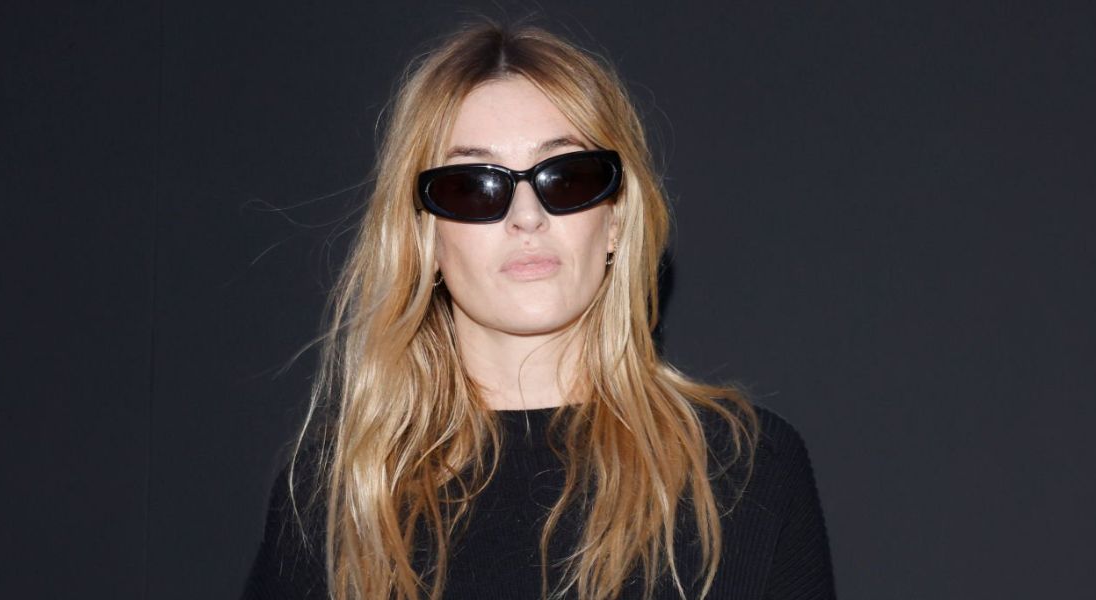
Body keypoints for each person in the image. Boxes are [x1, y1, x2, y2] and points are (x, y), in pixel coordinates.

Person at [242, 20, 835, 600]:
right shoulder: (338, 495)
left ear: (615, 219)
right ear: (425, 237)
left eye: (566, 177)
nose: (527, 216)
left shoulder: (744, 471)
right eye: (474, 185)